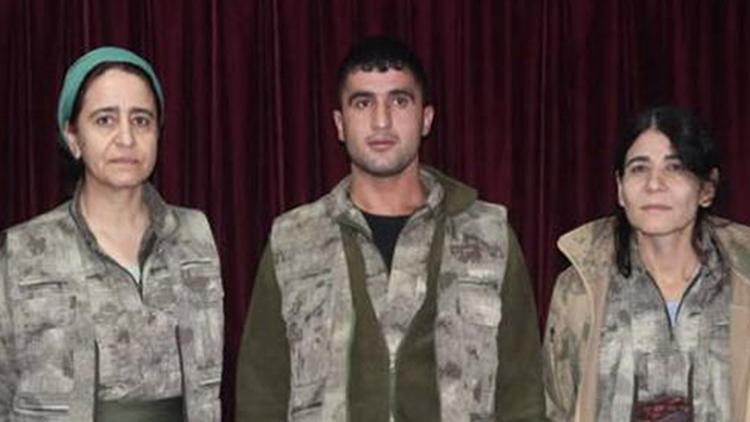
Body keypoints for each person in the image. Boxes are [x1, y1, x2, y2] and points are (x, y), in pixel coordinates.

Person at [236, 36, 545, 421]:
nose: (381, 121)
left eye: (399, 101)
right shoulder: (293, 240)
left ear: (426, 119)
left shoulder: (488, 236)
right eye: (363, 103)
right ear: (340, 124)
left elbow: (523, 394)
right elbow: (260, 396)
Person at [0, 47, 223, 421]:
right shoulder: (25, 250)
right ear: (73, 137)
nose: (126, 138)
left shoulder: (194, 236)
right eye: (105, 120)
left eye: (141, 120)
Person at [542, 106, 750, 421]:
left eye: (675, 167)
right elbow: (555, 407)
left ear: (707, 189)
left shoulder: (743, 282)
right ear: (620, 188)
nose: (654, 184)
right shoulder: (579, 289)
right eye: (639, 168)